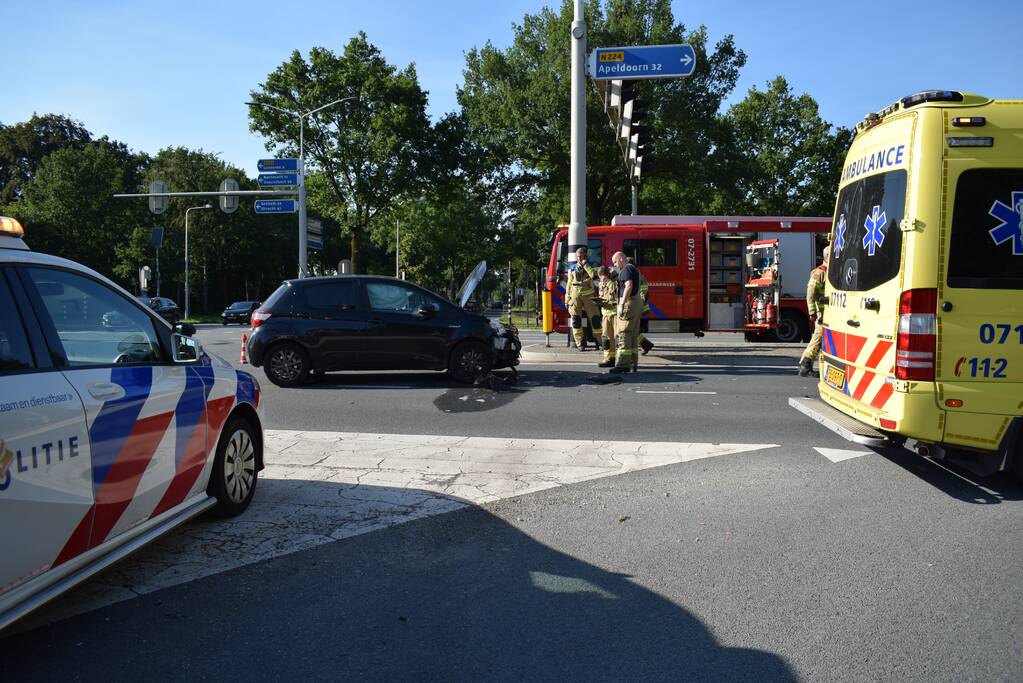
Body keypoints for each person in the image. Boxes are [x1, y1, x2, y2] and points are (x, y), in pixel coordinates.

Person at [798, 245, 830, 377]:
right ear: (828, 257)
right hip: (822, 313)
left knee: (821, 338)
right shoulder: (820, 272)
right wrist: (812, 312)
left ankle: (808, 365)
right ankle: (806, 364)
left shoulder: (829, 271)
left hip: (829, 312)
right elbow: (810, 292)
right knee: (818, 338)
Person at [610, 251, 643, 373]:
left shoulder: (626, 269)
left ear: (621, 259)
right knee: (633, 335)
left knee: (624, 333)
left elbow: (628, 286)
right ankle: (633, 363)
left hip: (629, 303)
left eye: (615, 262)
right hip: (636, 303)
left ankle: (623, 365)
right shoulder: (633, 269)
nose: (614, 265)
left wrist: (622, 304)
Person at [566, 246, 601, 350]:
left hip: (589, 296)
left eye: (581, 256)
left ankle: (600, 341)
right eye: (578, 256)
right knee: (576, 320)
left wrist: (585, 264)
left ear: (585, 256)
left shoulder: (592, 265)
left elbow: (593, 276)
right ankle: (580, 343)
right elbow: (569, 283)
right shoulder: (572, 267)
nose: (579, 258)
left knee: (595, 319)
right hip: (575, 296)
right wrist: (567, 298)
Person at [626, 256, 656, 356]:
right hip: (639, 306)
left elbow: (643, 292)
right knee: (633, 328)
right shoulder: (636, 274)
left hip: (638, 307)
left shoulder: (637, 276)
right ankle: (645, 344)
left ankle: (645, 344)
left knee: (631, 327)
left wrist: (639, 305)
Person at [595, 266, 618, 368]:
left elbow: (615, 295)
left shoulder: (615, 282)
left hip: (615, 314)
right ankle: (608, 359)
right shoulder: (602, 283)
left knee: (617, 338)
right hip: (605, 314)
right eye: (600, 277)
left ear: (607, 275)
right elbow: (603, 297)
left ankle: (620, 360)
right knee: (606, 339)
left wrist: (608, 282)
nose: (601, 280)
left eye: (602, 277)